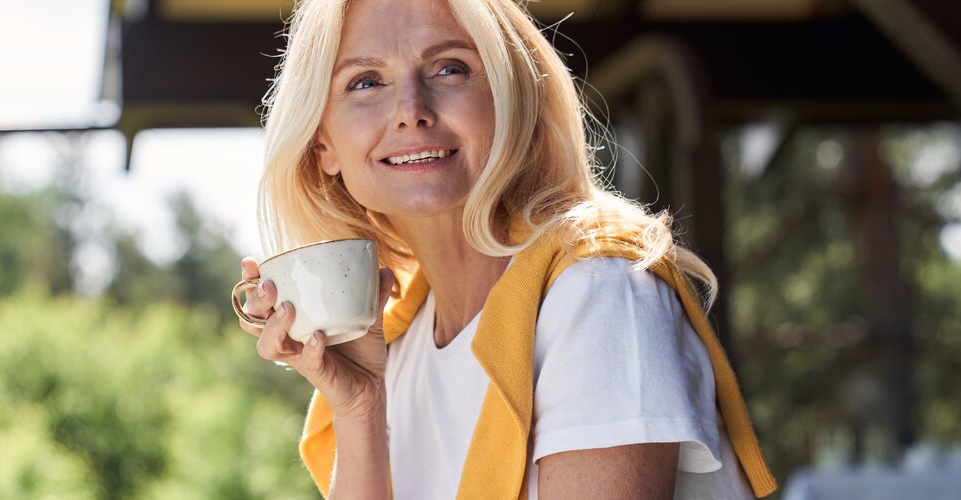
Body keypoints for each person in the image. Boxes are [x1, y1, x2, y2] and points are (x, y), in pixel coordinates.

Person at [234, 0, 778, 498]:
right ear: (321, 143)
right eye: (365, 81)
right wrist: (359, 409)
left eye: (449, 68)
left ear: (510, 98)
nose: (411, 110)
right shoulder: (396, 341)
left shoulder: (601, 289)